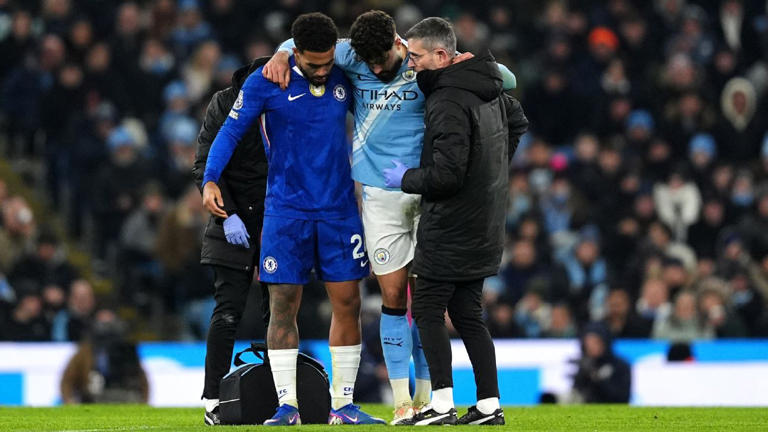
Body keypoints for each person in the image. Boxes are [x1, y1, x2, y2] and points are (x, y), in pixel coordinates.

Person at [261, 10, 517, 424]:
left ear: (400, 44)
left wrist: (461, 60)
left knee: (426, 299)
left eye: (383, 60)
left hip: (429, 190)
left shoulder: (425, 64)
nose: (376, 69)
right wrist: (280, 53)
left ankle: (428, 397)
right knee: (394, 298)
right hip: (380, 195)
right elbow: (306, 42)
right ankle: (403, 403)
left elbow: (506, 80)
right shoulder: (351, 55)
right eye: (369, 63)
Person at [202, 13, 383, 426]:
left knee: (349, 302)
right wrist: (210, 178)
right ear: (295, 52)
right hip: (285, 211)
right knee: (282, 303)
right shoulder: (267, 81)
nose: (322, 71)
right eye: (313, 64)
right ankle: (288, 406)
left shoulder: (344, 75)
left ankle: (343, 405)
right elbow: (228, 133)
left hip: (339, 209)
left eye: (327, 63)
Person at [382, 17, 528, 425]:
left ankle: (441, 404)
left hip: (451, 224)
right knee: (467, 314)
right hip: (485, 221)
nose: (410, 64)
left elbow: (446, 176)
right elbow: (518, 122)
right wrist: (490, 170)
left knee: (427, 309)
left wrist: (406, 178)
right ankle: (489, 405)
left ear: (442, 55)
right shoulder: (489, 89)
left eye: (416, 56)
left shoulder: (447, 99)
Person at [192, 53, 271, 425]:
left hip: (275, 219)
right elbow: (206, 164)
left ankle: (282, 395)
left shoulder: (287, 99)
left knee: (280, 312)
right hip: (231, 220)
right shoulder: (224, 103)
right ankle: (213, 399)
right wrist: (229, 214)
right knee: (226, 312)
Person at [570, 322, 631, 403]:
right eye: (588, 343)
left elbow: (622, 397)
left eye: (596, 342)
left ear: (605, 342)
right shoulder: (585, 365)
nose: (591, 347)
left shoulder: (620, 366)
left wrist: (597, 378)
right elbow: (577, 395)